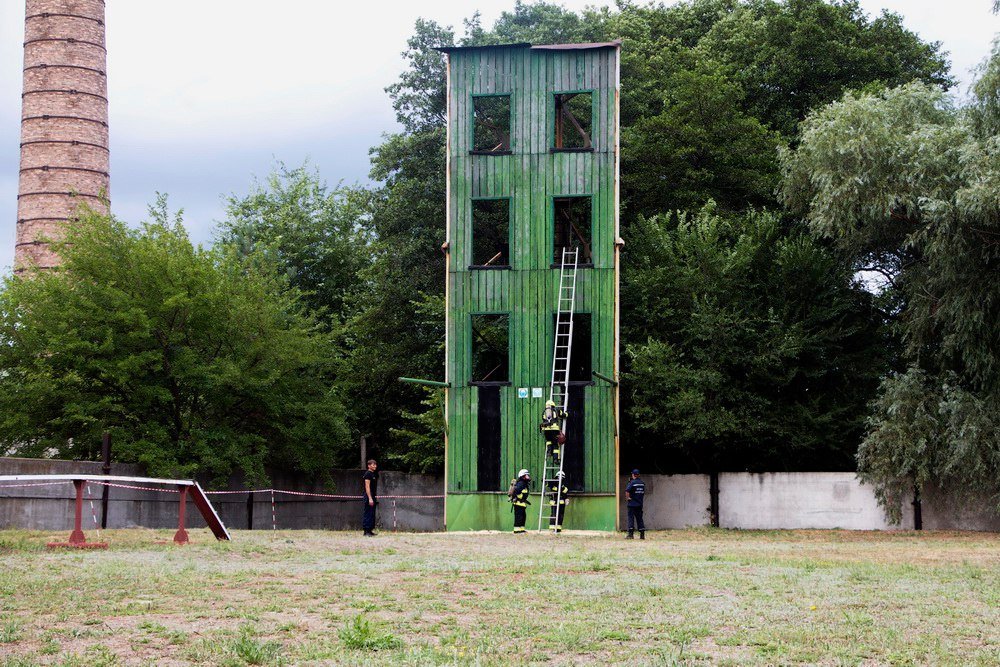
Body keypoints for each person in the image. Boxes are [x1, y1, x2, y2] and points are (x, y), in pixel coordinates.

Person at [624, 468, 645, 540]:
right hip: (639, 504)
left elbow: (627, 491)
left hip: (632, 505)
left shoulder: (632, 483)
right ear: (638, 475)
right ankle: (642, 535)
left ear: (633, 475)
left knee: (631, 518)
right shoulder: (642, 483)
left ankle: (630, 534)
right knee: (639, 519)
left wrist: (628, 498)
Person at [508, 468, 531, 534]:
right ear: (523, 476)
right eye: (526, 475)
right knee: (519, 516)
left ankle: (521, 529)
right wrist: (521, 497)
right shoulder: (521, 483)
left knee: (523, 516)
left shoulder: (524, 483)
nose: (528, 477)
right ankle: (517, 530)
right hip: (518, 503)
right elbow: (517, 491)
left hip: (522, 503)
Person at [362, 459, 378, 536]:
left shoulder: (373, 474)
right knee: (368, 513)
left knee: (372, 513)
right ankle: (366, 531)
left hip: (372, 495)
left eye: (375, 464)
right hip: (369, 495)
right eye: (373, 464)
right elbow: (367, 487)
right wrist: (370, 498)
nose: (374, 466)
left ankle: (370, 530)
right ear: (368, 466)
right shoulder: (368, 474)